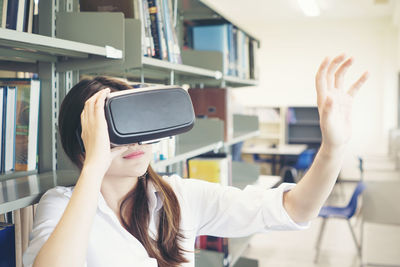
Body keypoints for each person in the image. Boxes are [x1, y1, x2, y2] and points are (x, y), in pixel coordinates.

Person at [23, 54, 369, 267]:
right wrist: (95, 164)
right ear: (83, 140)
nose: (137, 139)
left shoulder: (177, 196)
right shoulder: (62, 205)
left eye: (138, 121)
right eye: (116, 128)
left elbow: (294, 209)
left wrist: (332, 148)